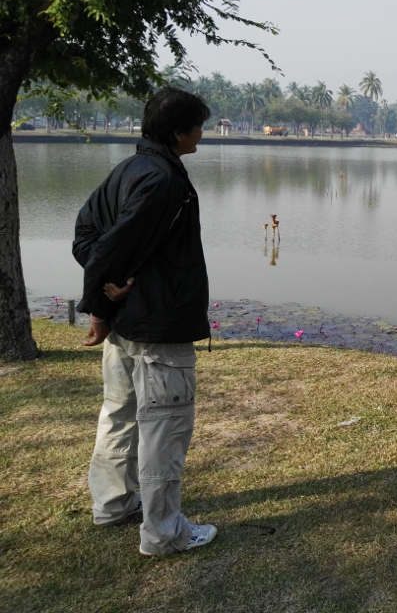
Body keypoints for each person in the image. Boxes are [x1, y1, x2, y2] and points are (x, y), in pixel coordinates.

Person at [72, 87, 217, 557]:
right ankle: (164, 532)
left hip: (127, 325)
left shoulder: (130, 168)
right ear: (178, 132)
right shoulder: (161, 180)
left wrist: (106, 292)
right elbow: (109, 243)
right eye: (198, 125)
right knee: (163, 427)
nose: (202, 133)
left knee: (120, 416)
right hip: (157, 328)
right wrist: (101, 289)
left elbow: (87, 234)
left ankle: (113, 504)